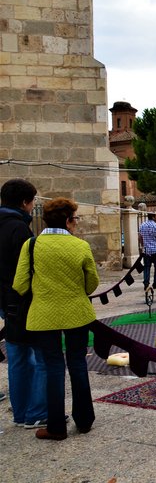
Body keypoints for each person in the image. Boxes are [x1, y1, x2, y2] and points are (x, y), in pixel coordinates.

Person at [13, 197, 99, 441]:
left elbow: (20, 284)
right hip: (77, 313)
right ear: (68, 221)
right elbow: (91, 284)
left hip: (44, 314)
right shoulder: (80, 246)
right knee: (78, 364)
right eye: (75, 219)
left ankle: (56, 426)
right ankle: (84, 420)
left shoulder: (31, 245)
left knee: (53, 367)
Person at [0, 179, 48, 430]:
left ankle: (20, 413)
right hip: (21, 301)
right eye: (32, 202)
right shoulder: (18, 229)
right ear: (24, 202)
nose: (32, 208)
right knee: (39, 357)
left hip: (4, 300)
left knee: (18, 358)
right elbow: (27, 270)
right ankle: (37, 412)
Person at [138, 212, 156, 289]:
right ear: (153, 217)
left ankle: (146, 283)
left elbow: (140, 237)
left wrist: (142, 246)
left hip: (146, 251)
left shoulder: (142, 225)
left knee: (146, 267)